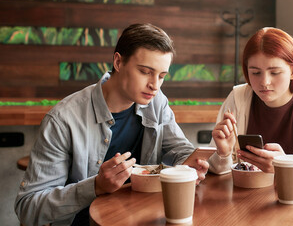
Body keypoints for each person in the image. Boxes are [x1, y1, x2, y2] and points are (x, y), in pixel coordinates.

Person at [15, 23, 209, 226]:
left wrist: (192, 163)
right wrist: (96, 186)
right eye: (145, 71)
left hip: (144, 218)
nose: (155, 85)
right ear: (118, 62)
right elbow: (28, 208)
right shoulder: (63, 120)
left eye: (161, 76)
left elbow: (179, 149)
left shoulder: (157, 102)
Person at [208, 27, 293, 189]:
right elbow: (216, 170)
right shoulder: (237, 97)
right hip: (247, 202)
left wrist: (286, 165)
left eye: (274, 72)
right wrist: (223, 154)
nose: (264, 82)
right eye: (255, 73)